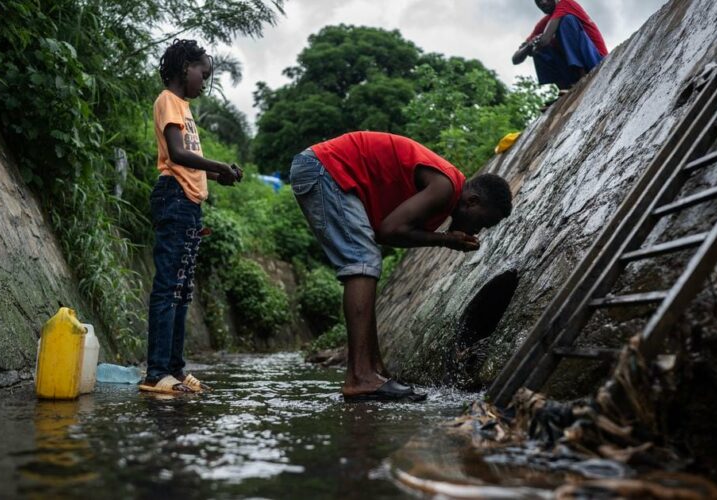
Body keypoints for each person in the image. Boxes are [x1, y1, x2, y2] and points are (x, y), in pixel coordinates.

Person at [290, 132, 512, 402]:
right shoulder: (445, 188)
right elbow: (390, 230)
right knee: (362, 260)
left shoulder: (448, 188)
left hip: (323, 169)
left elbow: (387, 234)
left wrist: (444, 239)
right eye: (483, 222)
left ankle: (374, 372)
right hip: (325, 169)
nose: (478, 229)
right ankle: (361, 377)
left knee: (366, 260)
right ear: (472, 201)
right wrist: (445, 240)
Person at [139, 39, 242, 395]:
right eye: (204, 73)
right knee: (169, 287)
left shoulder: (183, 106)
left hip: (189, 203)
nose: (205, 81)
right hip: (175, 199)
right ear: (186, 67)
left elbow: (187, 158)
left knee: (182, 290)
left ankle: (176, 371)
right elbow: (177, 155)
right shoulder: (168, 101)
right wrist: (217, 164)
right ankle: (156, 374)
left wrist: (218, 175)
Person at [512, 0, 608, 92]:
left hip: (595, 59)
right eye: (538, 1)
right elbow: (515, 59)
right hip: (572, 72)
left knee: (567, 20)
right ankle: (565, 87)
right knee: (536, 49)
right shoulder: (544, 23)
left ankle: (581, 75)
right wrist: (529, 46)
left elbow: (545, 40)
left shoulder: (565, 4)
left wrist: (536, 41)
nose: (543, 2)